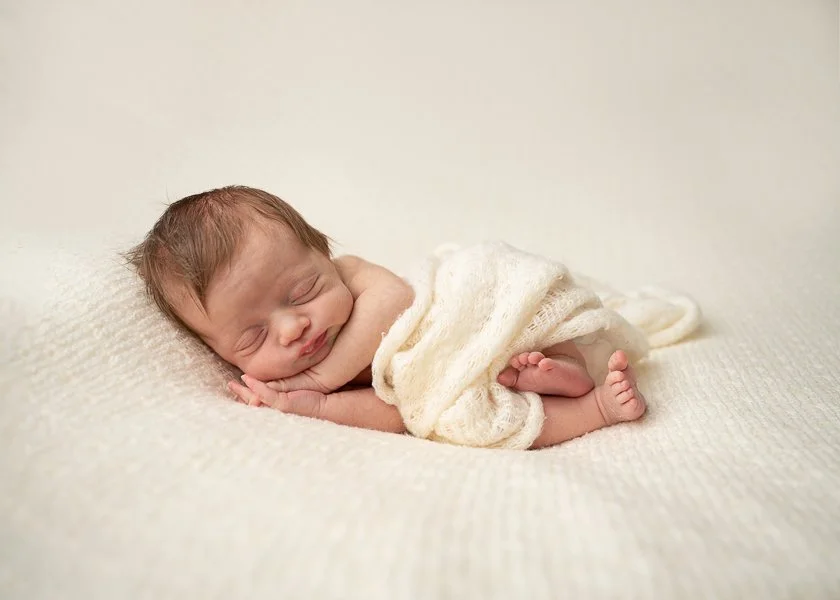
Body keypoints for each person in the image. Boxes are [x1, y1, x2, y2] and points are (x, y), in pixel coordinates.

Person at [127, 185, 646, 449]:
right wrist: (313, 405)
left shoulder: (355, 275)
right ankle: (595, 406)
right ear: (217, 353)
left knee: (523, 320)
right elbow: (397, 412)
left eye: (305, 290)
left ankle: (561, 361)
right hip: (454, 376)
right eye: (252, 336)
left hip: (466, 309)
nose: (293, 329)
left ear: (324, 256)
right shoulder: (301, 384)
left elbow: (394, 300)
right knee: (460, 417)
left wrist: (320, 379)